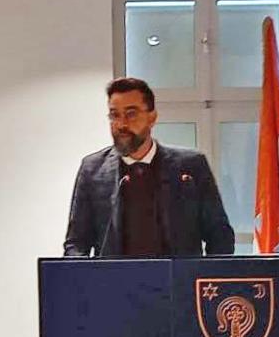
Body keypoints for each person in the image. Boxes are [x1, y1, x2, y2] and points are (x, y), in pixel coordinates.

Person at [64, 77, 234, 257]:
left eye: (131, 114)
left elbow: (220, 235)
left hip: (177, 274)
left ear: (152, 118)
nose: (121, 124)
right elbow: (76, 243)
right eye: (114, 115)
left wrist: (205, 273)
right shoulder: (93, 170)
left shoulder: (191, 166)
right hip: (114, 275)